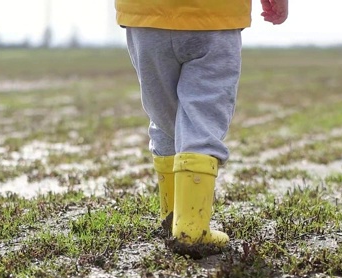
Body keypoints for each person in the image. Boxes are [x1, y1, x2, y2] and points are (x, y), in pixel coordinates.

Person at [115, 0, 289, 257]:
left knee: (167, 119)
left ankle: (172, 217)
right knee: (202, 117)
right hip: (215, 15)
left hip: (146, 15)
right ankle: (190, 227)